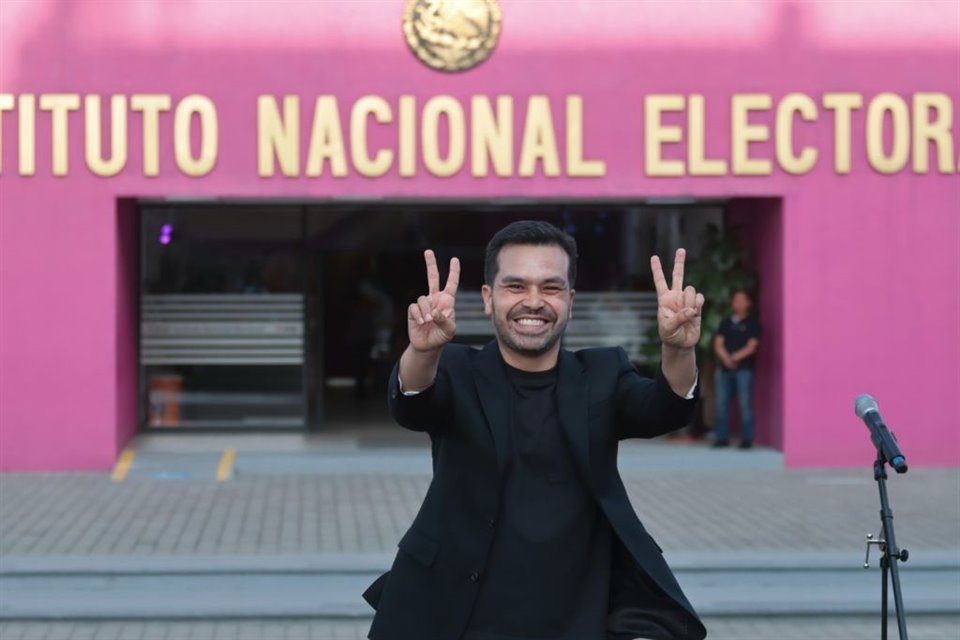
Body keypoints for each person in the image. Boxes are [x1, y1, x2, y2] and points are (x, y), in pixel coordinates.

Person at [363, 221, 707, 640]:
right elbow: (413, 403)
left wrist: (678, 348)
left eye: (550, 287)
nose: (533, 302)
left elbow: (666, 408)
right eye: (515, 286)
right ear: (488, 298)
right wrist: (422, 352)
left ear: (570, 300)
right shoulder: (456, 369)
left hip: (574, 614)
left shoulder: (601, 373)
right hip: (460, 611)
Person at [711, 289, 761, 449]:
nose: (738, 302)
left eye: (742, 299)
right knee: (721, 403)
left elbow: (752, 346)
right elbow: (718, 343)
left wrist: (734, 358)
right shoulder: (726, 322)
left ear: (748, 303)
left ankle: (747, 439)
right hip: (724, 370)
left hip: (744, 370)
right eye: (735, 299)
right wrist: (726, 358)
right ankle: (722, 438)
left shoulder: (753, 323)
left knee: (745, 403)